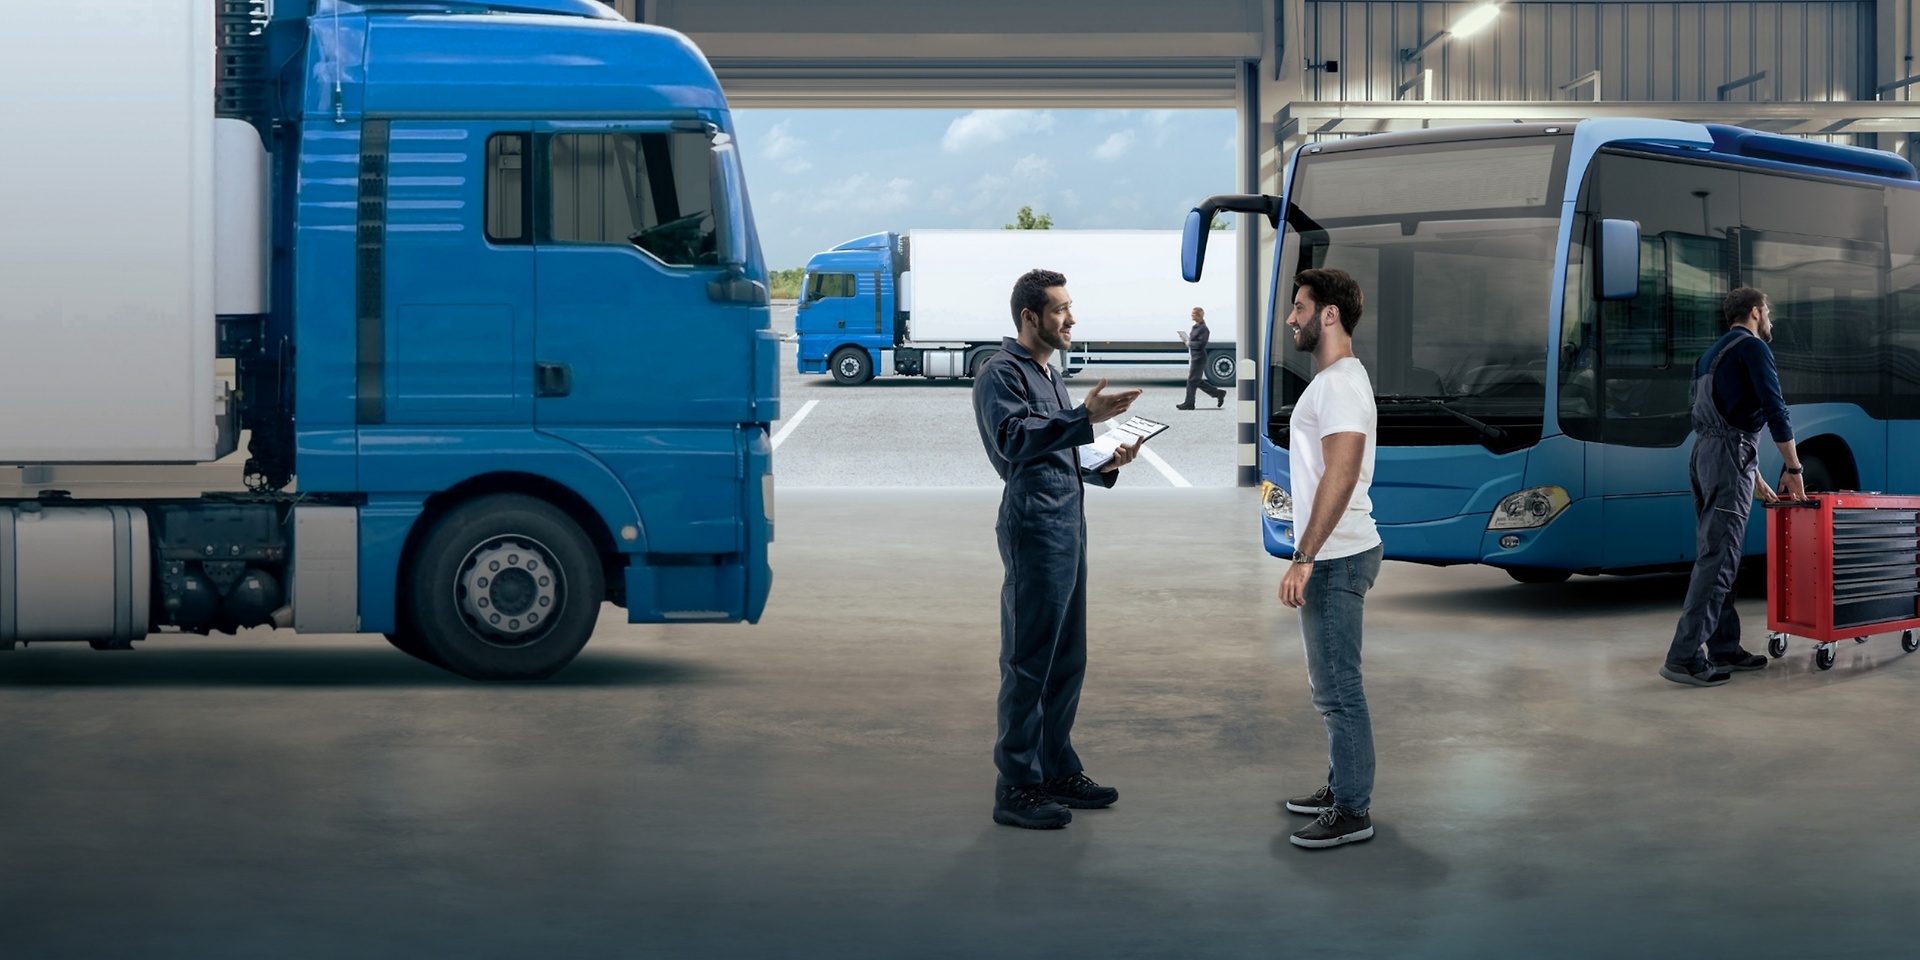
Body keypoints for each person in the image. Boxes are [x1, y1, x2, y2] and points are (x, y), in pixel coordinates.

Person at [973, 268, 1144, 830]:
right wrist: (1084, 418)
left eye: (1071, 307)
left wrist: (1105, 461)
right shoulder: (1002, 372)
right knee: (1029, 661)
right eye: (1060, 309)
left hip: (1068, 522)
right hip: (1035, 525)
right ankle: (1016, 787)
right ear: (1030, 317)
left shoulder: (1049, 373)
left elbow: (1055, 450)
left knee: (1066, 658)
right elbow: (1013, 441)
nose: (1071, 318)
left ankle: (1055, 768)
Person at [1274, 268, 1383, 849]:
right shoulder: (1336, 380)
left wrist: (1304, 555)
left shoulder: (1339, 384)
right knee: (1332, 686)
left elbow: (1340, 474)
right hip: (1339, 552)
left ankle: (1352, 810)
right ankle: (1343, 785)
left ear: (1329, 314)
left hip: (1337, 556)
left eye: (1300, 307)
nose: (1292, 318)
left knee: (1339, 689)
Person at [1661, 287, 1805, 687]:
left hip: (1705, 456)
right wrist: (1794, 468)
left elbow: (1719, 417)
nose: (1770, 319)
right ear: (1755, 312)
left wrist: (1752, 474)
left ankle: (1724, 647)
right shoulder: (1754, 348)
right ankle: (1684, 657)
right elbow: (1775, 408)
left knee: (1719, 552)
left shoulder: (1710, 354)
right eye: (1768, 311)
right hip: (1728, 459)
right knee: (1719, 558)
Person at [1175, 307, 1228, 410]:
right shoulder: (1195, 327)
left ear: (1199, 315)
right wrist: (1186, 340)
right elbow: (1194, 340)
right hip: (1195, 356)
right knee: (1196, 380)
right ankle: (1218, 393)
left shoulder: (1204, 329)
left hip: (1199, 358)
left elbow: (1201, 344)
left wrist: (1189, 343)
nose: (1191, 315)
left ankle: (1189, 403)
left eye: (1194, 314)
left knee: (1192, 380)